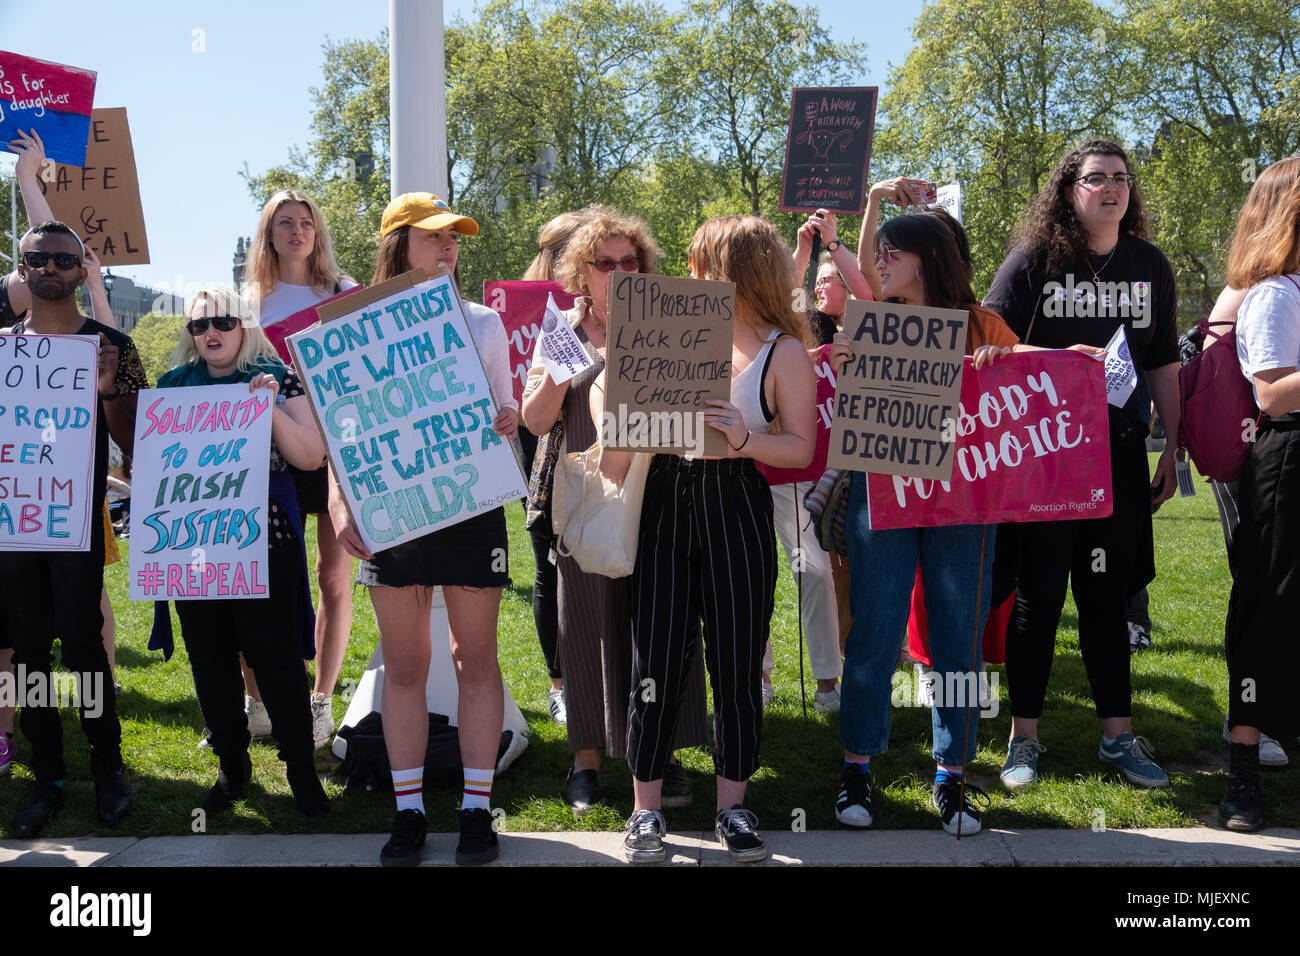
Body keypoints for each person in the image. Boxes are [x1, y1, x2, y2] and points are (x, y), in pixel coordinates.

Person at [597, 215, 817, 863]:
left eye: (698, 263)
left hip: (736, 503)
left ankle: (734, 809)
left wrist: (746, 435)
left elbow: (801, 447)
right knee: (656, 660)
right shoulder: (666, 327)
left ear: (731, 269)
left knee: (738, 661)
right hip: (667, 495)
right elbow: (621, 439)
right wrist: (624, 399)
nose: (687, 275)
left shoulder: (784, 349)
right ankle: (644, 810)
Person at [984, 138, 1182, 790]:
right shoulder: (1034, 262)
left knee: (1108, 601)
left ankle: (1117, 738)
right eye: (1096, 179)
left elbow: (1162, 363)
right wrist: (1058, 355)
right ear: (1069, 192)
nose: (1112, 188)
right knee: (1039, 598)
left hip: (1121, 459)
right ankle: (1024, 740)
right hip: (1045, 460)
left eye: (1121, 178)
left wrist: (1172, 447)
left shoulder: (1150, 265)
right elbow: (987, 349)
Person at [329, 192, 518, 866]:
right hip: (391, 513)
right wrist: (340, 506)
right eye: (433, 237)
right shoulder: (353, 330)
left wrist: (507, 418)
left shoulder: (484, 323)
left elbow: (507, 410)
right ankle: (407, 813)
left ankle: (475, 811)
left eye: (454, 238)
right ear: (397, 244)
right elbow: (339, 432)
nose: (448, 248)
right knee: (405, 667)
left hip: (468, 505)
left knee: (477, 659)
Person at [829, 213, 1021, 835]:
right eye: (877, 251)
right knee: (874, 631)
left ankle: (953, 778)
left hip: (964, 502)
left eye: (892, 251)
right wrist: (846, 363)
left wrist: (1003, 361)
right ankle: (857, 768)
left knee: (957, 637)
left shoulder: (981, 324)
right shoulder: (869, 321)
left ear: (928, 258)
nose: (879, 260)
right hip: (882, 487)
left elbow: (1039, 381)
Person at [521, 204, 708, 813]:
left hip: (660, 492)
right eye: (607, 263)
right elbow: (535, 419)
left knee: (661, 622)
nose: (622, 270)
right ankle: (586, 760)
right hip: (586, 494)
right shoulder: (561, 331)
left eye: (632, 261)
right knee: (588, 622)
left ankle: (664, 754)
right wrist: (563, 357)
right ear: (583, 273)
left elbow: (691, 417)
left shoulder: (669, 323)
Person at [154, 288, 329, 816]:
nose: (211, 333)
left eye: (224, 322)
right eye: (200, 326)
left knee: (275, 661)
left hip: (264, 542)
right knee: (209, 661)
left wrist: (268, 407)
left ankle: (300, 770)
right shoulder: (171, 389)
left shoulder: (277, 375)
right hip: (192, 547)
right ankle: (233, 767)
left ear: (244, 326)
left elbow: (311, 456)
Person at [1, 221, 147, 837]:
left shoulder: (112, 345)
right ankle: (48, 774)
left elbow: (136, 444)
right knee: (28, 650)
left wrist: (107, 394)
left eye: (65, 258)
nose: (52, 267)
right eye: (40, 259)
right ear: (24, 268)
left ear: (82, 269)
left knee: (85, 646)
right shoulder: (3, 348)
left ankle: (107, 764)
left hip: (77, 521)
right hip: (14, 523)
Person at [243, 188, 358, 749]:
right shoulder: (245, 302)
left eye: (306, 222)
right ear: (268, 233)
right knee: (254, 578)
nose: (296, 231)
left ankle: (320, 700)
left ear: (318, 232)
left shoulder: (345, 293)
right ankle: (256, 703)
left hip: (338, 449)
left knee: (333, 578)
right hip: (265, 452)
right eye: (284, 222)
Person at [1217, 155, 1300, 829]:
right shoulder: (1275, 293)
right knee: (1267, 610)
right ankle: (1244, 775)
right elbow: (1272, 391)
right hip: (1288, 457)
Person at [520, 210, 585, 725]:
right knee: (550, 566)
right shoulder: (525, 305)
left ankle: (567, 681)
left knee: (553, 568)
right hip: (545, 437)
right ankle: (562, 683)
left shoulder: (607, 302)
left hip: (589, 439)